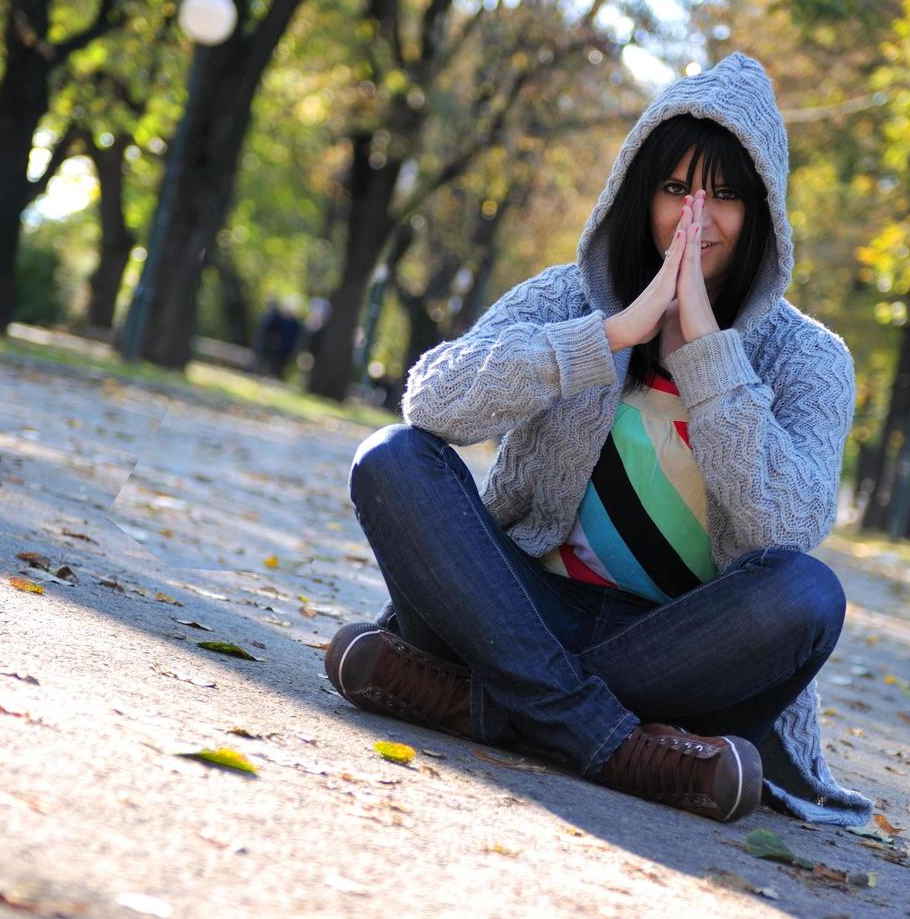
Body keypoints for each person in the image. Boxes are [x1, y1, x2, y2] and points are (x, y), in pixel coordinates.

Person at [328, 52, 872, 826]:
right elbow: (434, 399)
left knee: (809, 594)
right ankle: (610, 742)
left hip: (677, 647)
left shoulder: (808, 357)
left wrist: (709, 356)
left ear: (763, 213)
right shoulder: (566, 295)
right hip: (518, 606)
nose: (696, 217)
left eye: (723, 195)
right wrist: (611, 334)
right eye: (676, 188)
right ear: (638, 192)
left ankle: (490, 703)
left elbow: (786, 527)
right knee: (391, 456)